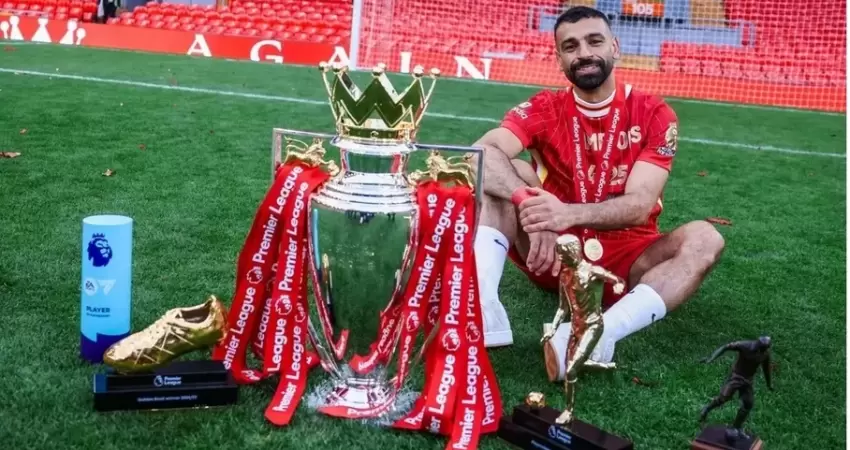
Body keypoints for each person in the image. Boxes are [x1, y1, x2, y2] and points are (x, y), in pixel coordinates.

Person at [471, 6, 725, 380]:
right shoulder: (544, 107)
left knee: (706, 238)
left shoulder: (654, 113)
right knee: (509, 174)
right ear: (559, 59)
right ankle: (484, 307)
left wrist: (566, 213)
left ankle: (601, 332)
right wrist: (531, 205)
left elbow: (639, 205)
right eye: (570, 46)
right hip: (553, 255)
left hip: (628, 262)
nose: (584, 53)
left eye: (594, 41)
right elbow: (479, 154)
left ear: (614, 47)